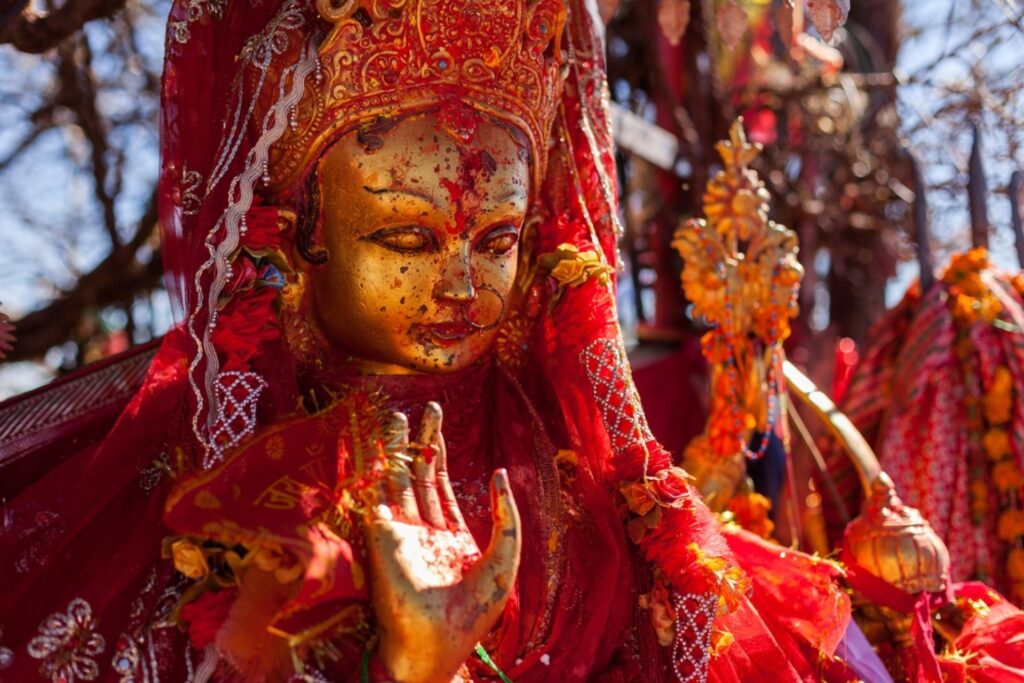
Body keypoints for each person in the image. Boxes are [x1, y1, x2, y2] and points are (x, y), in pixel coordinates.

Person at [0, 1, 854, 681]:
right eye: (406, 240)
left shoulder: (582, 489)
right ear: (299, 237)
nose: (459, 287)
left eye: (496, 241)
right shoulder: (216, 490)